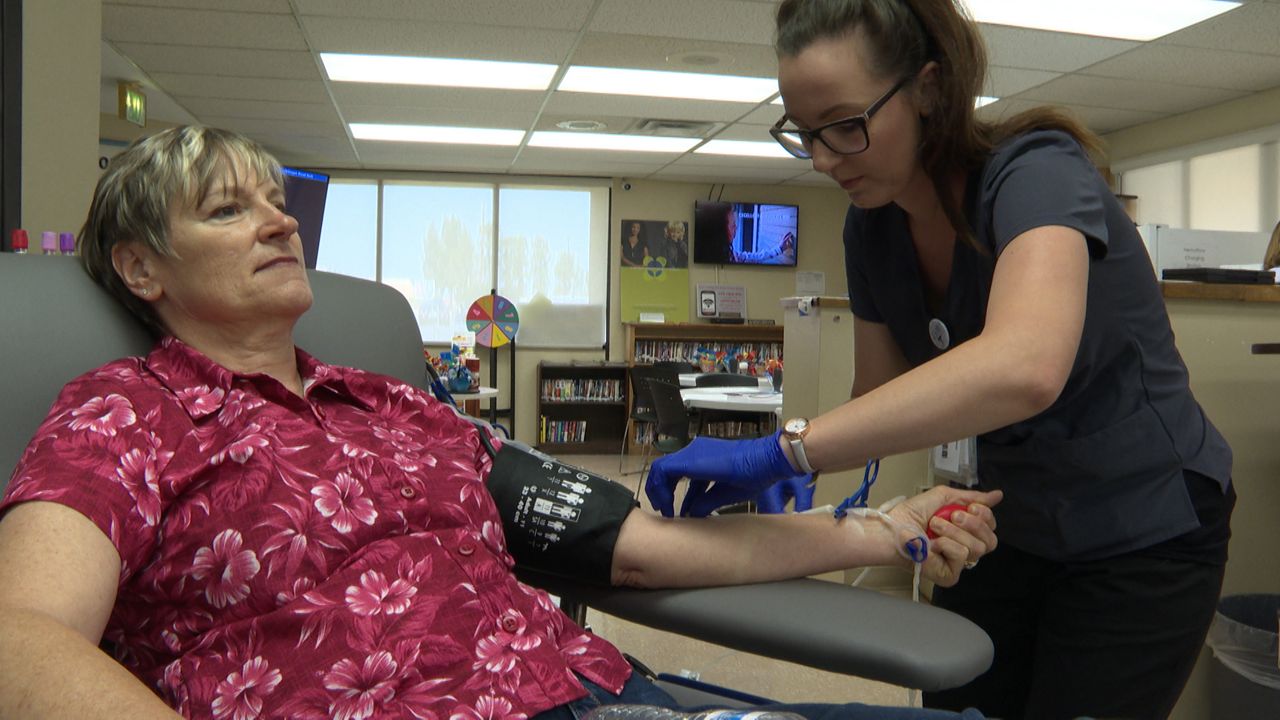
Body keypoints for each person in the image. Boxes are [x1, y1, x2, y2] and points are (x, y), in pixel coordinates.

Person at [0, 125, 1001, 720]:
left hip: (597, 698)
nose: (277, 221)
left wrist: (877, 525)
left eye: (276, 203)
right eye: (227, 211)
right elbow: (22, 637)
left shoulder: (405, 409)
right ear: (142, 268)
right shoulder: (127, 412)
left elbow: (641, 549)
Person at [645, 1, 1235, 719]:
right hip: (1011, 518)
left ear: (927, 89)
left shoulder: (1036, 172)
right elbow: (880, 396)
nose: (826, 158)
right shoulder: (871, 230)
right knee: (959, 704)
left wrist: (787, 451)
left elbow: (1025, 366)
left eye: (845, 125)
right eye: (805, 135)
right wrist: (807, 495)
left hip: (1147, 524)